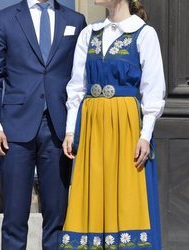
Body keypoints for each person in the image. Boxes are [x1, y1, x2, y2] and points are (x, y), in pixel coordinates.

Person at [60, 0, 165, 249]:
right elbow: (77, 86)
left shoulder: (144, 34)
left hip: (126, 127)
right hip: (93, 128)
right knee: (91, 198)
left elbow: (153, 90)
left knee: (128, 197)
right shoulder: (89, 33)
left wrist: (145, 135)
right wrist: (70, 130)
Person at [0, 0, 86, 249]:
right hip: (14, 129)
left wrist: (74, 126)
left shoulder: (75, 20)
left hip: (59, 130)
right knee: (14, 216)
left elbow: (79, 76)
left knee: (58, 217)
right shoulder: (3, 19)